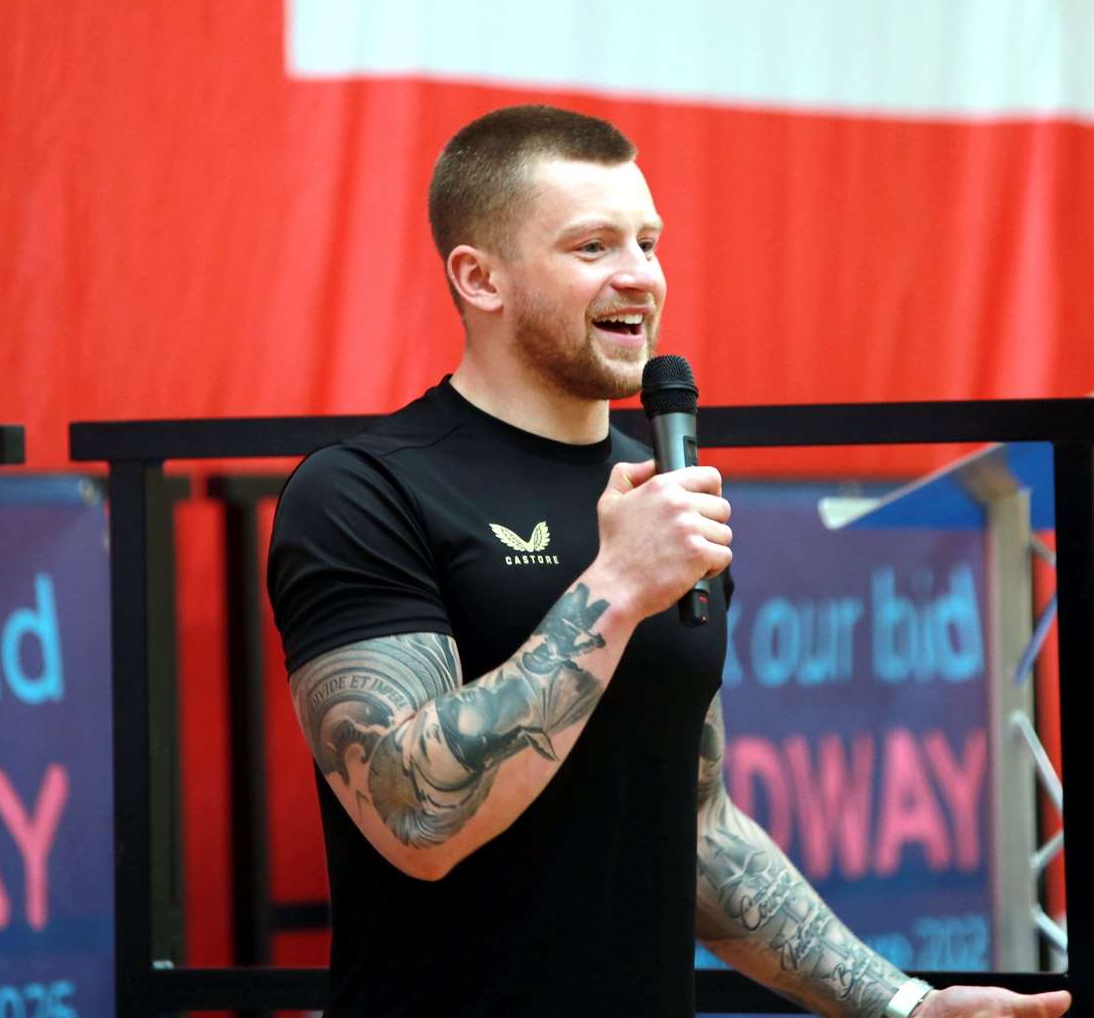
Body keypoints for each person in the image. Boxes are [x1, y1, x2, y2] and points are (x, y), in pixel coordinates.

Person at [266, 105, 1071, 1018]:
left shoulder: (662, 496)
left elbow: (698, 829)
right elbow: (416, 817)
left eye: (648, 242)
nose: (639, 276)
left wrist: (902, 1005)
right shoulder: (363, 493)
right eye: (592, 246)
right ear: (479, 278)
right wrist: (614, 587)